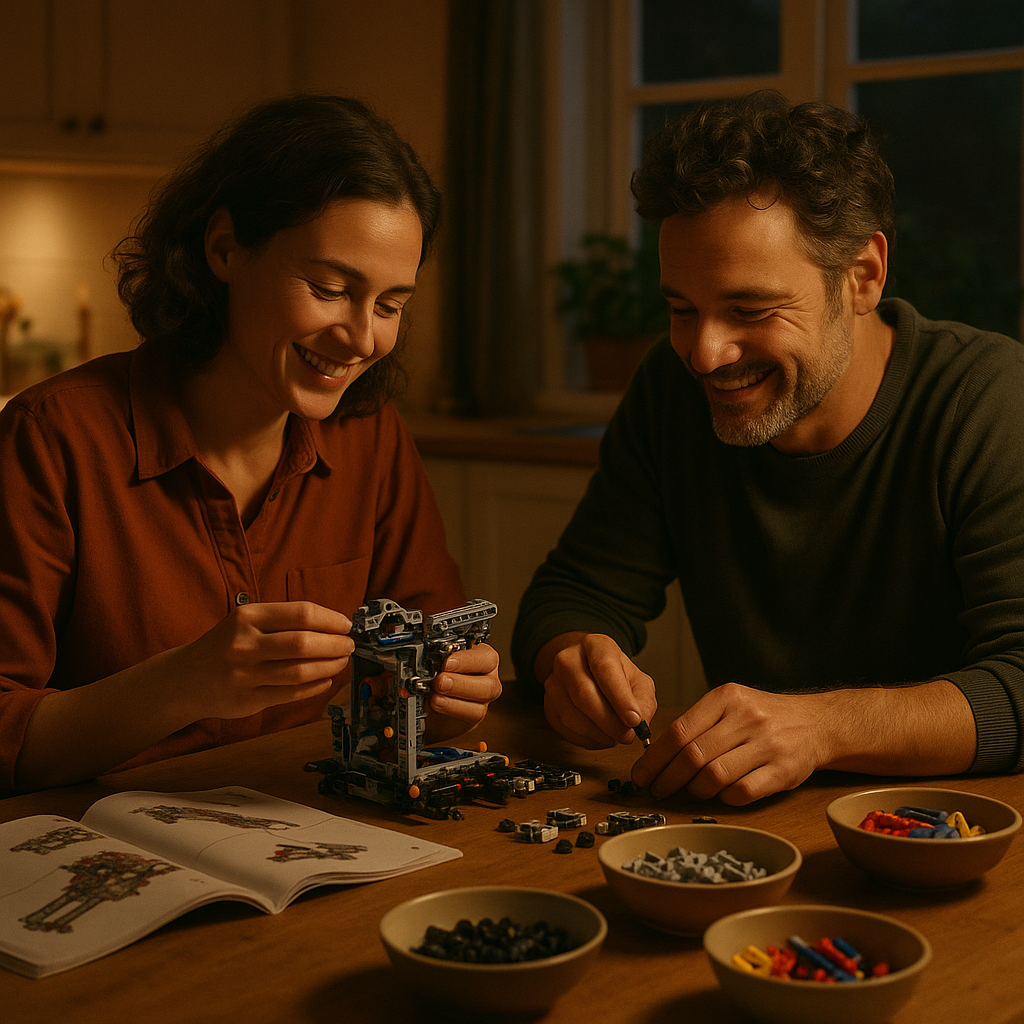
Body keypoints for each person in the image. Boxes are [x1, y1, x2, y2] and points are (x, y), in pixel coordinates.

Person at [512, 90, 1024, 806]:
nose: (703, 353)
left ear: (863, 277)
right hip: (756, 830)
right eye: (679, 309)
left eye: (749, 310)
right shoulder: (670, 391)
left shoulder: (991, 402)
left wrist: (822, 727)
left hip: (960, 843)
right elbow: (575, 593)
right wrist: (572, 658)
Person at [0, 94, 501, 795]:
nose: (363, 339)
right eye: (330, 287)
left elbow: (427, 672)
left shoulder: (369, 434)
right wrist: (183, 683)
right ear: (225, 248)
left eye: (390, 306)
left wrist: (452, 694)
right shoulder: (51, 439)